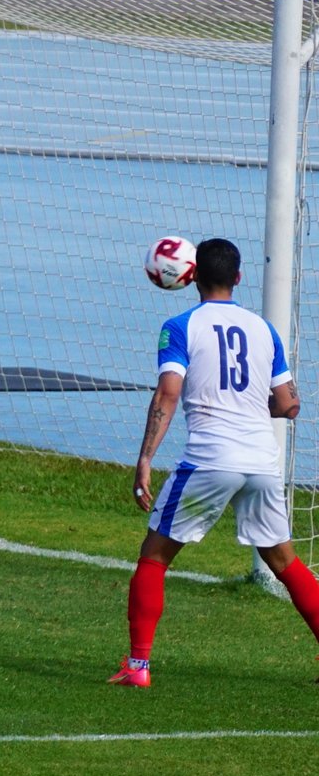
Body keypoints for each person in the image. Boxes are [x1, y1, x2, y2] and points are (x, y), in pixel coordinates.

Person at [112, 237, 319, 686]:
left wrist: (145, 458)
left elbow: (168, 392)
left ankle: (138, 666)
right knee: (285, 563)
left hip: (210, 459)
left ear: (191, 278)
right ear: (239, 277)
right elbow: (289, 405)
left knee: (154, 558)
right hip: (262, 462)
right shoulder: (265, 330)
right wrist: (244, 406)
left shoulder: (181, 326)